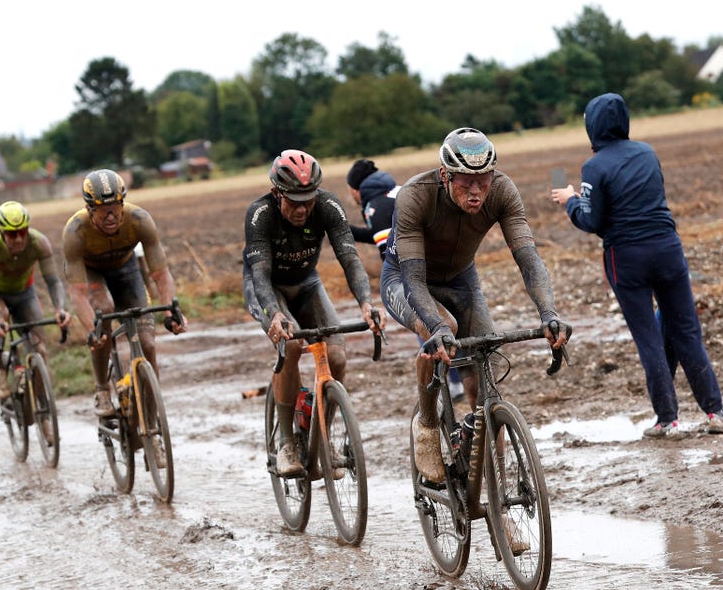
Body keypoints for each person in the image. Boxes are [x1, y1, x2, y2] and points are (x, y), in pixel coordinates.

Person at [381, 127, 571, 484]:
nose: (476, 191)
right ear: (444, 175)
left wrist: (549, 313)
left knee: (484, 372)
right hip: (407, 278)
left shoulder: (502, 191)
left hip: (461, 279)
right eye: (466, 182)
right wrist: (436, 328)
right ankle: (426, 425)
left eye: (483, 181)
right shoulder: (415, 196)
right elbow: (414, 281)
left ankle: (497, 490)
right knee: (441, 328)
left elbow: (529, 260)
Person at [551, 92, 723, 439]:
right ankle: (716, 412)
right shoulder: (647, 153)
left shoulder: (594, 166)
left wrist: (571, 200)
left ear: (591, 127)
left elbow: (592, 221)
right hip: (668, 249)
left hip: (627, 259)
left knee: (649, 338)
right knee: (686, 332)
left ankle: (668, 420)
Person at [243, 149, 385, 475]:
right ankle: (287, 444)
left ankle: (321, 439)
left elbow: (350, 258)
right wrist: (273, 315)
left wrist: (366, 302)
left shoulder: (327, 206)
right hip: (268, 288)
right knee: (291, 346)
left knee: (337, 359)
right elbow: (261, 276)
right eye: (294, 201)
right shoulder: (260, 214)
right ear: (277, 193)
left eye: (308, 199)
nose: (303, 208)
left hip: (307, 284)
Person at [62, 169, 186, 417]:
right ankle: (101, 389)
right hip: (92, 272)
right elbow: (77, 293)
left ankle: (152, 419)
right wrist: (91, 330)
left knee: (148, 343)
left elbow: (161, 273)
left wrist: (171, 309)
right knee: (104, 312)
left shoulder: (139, 219)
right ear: (89, 209)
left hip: (126, 270)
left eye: (116, 206)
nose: (111, 215)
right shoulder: (75, 232)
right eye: (102, 208)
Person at [348, 158, 466, 401]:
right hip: (441, 265)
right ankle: (458, 378)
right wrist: (347, 231)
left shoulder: (374, 206)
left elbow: (390, 252)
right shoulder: (397, 191)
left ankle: (451, 384)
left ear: (356, 190)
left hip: (414, 270)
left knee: (422, 320)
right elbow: (384, 234)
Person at [0, 201, 72, 399]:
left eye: (23, 231)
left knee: (39, 347)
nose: (18, 238)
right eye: (11, 234)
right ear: (1, 233)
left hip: (23, 293)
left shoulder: (39, 243)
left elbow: (53, 281)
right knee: (1, 317)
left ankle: (41, 402)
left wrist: (61, 308)